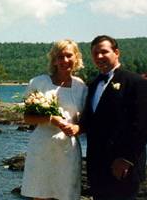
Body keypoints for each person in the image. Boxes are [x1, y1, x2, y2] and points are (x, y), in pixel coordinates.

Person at [77, 35, 147, 199]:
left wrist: (126, 159)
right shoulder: (93, 84)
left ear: (116, 52)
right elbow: (90, 120)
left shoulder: (136, 82)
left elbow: (142, 126)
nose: (99, 57)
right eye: (95, 53)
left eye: (104, 52)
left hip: (123, 168)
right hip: (97, 166)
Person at [21, 39, 88, 200]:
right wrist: (51, 119)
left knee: (66, 194)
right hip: (42, 147)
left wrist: (78, 128)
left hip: (68, 150)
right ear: (54, 59)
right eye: (60, 56)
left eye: (69, 55)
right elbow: (27, 118)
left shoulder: (82, 87)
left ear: (76, 57)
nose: (65, 60)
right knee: (40, 194)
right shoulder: (39, 82)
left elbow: (86, 121)